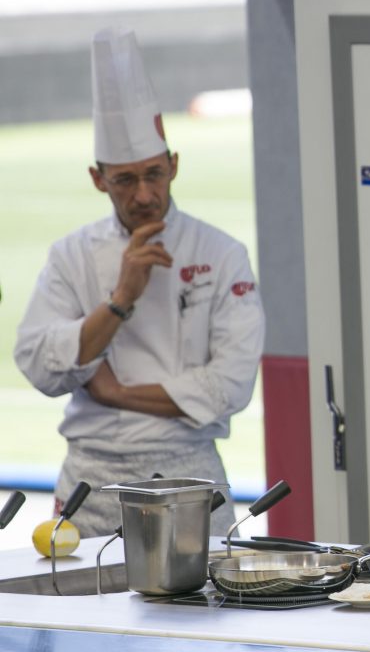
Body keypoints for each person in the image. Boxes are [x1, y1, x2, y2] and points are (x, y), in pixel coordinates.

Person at [14, 27, 264, 538]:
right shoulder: (71, 256)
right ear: (98, 179)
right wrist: (122, 299)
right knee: (77, 592)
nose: (145, 194)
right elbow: (38, 365)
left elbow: (230, 387)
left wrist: (114, 391)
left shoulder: (221, 254)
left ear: (174, 165)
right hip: (91, 477)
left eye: (154, 174)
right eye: (125, 180)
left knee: (207, 593)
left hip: (191, 470)